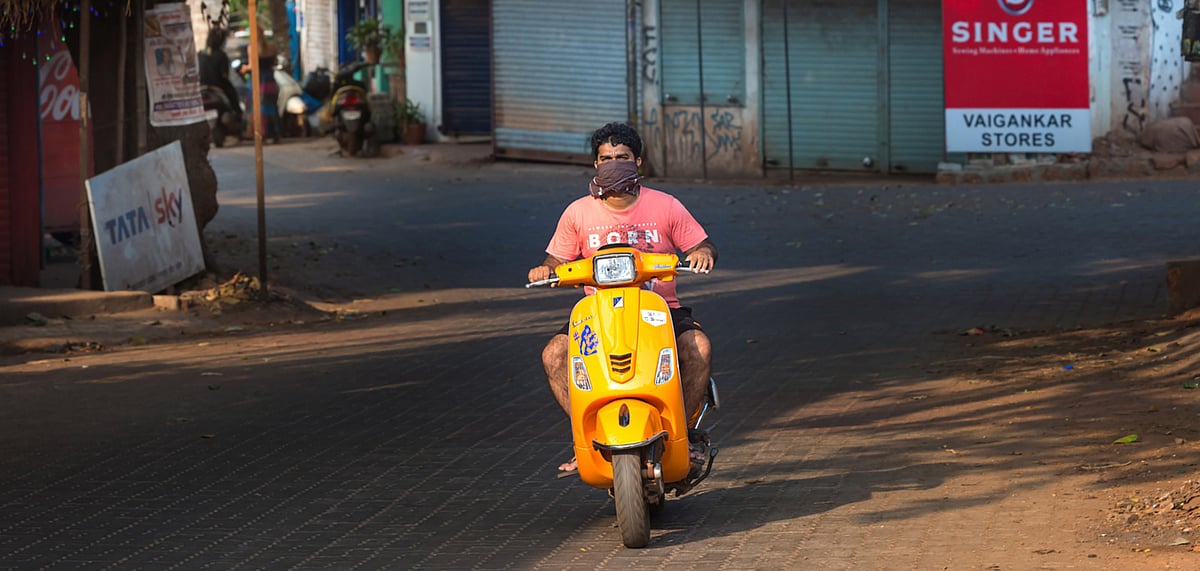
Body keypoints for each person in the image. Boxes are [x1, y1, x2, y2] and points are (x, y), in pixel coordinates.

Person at [527, 122, 718, 475]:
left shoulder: (666, 206)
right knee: (553, 355)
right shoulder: (578, 212)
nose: (614, 163)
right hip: (597, 314)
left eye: (622, 157)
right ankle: (587, 439)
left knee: (699, 348)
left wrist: (703, 253)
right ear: (596, 164)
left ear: (638, 162)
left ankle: (684, 438)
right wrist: (544, 270)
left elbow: (701, 244)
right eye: (606, 158)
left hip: (659, 310)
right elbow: (556, 259)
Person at [198, 29, 241, 123]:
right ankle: (238, 118)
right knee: (233, 96)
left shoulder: (200, 54)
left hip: (201, 88)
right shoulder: (221, 55)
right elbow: (224, 76)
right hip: (218, 88)